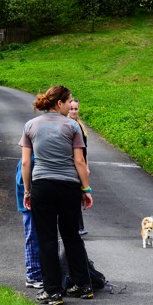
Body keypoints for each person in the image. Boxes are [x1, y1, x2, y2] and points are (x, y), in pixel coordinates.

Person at [19, 85, 94, 305]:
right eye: (69, 101)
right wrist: (86, 189)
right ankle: (83, 284)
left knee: (47, 239)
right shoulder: (73, 126)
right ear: (59, 103)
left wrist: (27, 190)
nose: (72, 105)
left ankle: (52, 291)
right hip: (69, 186)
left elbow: (26, 162)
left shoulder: (31, 125)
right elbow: (79, 161)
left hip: (42, 186)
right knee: (72, 235)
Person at [16, 155, 42, 289]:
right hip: (29, 203)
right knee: (33, 237)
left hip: (32, 200)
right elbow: (22, 179)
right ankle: (33, 274)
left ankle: (37, 272)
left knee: (36, 236)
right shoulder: (29, 159)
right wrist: (28, 193)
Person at [68, 98, 88, 236]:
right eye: (72, 109)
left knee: (78, 195)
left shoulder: (80, 126)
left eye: (76, 109)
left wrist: (87, 166)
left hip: (81, 164)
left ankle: (78, 226)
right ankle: (76, 226)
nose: (74, 111)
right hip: (71, 165)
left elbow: (85, 150)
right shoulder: (68, 125)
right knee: (74, 196)